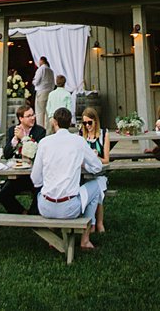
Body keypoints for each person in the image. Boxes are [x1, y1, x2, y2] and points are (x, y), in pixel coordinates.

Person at [30, 107, 103, 251]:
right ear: (70, 123)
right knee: (96, 187)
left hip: (45, 207)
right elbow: (98, 166)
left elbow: (35, 178)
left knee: (42, 192)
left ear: (54, 122)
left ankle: (53, 238)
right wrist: (83, 165)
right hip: (69, 208)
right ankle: (85, 239)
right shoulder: (78, 142)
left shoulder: (44, 142)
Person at [0, 103, 47, 213]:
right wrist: (15, 139)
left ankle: (33, 216)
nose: (33, 118)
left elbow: (36, 154)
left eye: (33, 115)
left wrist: (23, 138)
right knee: (3, 195)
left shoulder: (40, 132)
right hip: (18, 175)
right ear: (21, 118)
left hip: (35, 175)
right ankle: (22, 213)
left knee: (40, 193)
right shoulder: (12, 131)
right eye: (28, 116)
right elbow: (7, 155)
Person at [78, 105, 111, 234]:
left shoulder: (104, 134)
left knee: (98, 188)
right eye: (84, 123)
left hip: (99, 172)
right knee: (95, 190)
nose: (87, 126)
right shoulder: (81, 134)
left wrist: (95, 156)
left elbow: (107, 159)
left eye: (89, 123)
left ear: (95, 121)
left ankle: (95, 222)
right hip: (84, 172)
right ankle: (94, 223)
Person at [32, 56, 54, 122]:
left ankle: (40, 128)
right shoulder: (50, 70)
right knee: (47, 112)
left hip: (41, 91)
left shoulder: (41, 69)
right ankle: (48, 129)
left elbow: (36, 81)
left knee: (40, 112)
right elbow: (53, 82)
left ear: (41, 61)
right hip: (49, 91)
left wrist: (33, 81)